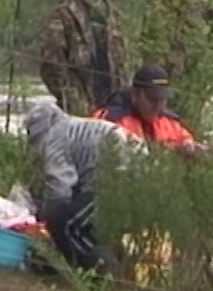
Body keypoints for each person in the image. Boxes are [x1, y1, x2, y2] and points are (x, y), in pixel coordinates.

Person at [23, 99, 144, 275]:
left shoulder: (53, 138)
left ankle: (102, 274)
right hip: (141, 169)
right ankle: (117, 269)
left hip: (118, 175)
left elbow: (61, 186)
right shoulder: (75, 126)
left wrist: (46, 216)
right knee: (88, 221)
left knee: (65, 223)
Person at [39, 0, 127, 117]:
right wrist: (71, 101)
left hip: (114, 107)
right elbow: (51, 65)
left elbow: (123, 65)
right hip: (78, 109)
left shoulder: (115, 18)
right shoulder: (64, 15)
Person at [94, 64, 209, 157]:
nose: (158, 106)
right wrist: (172, 152)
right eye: (153, 99)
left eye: (162, 100)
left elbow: (185, 139)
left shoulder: (170, 123)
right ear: (135, 95)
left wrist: (191, 148)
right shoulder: (110, 120)